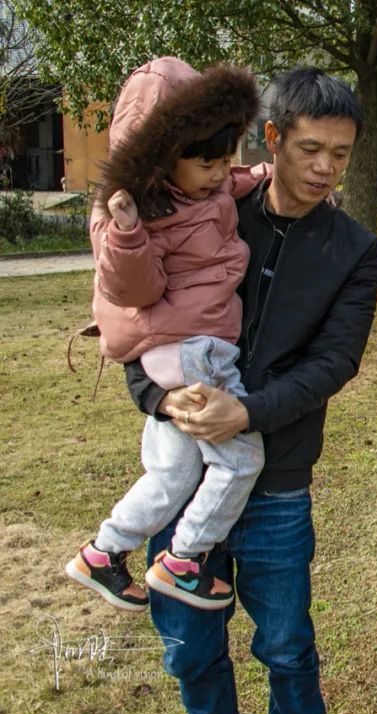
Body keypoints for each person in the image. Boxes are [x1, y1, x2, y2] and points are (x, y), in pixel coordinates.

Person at [125, 67, 377, 714]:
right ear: (273, 137)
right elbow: (140, 318)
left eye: (341, 154)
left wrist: (246, 412)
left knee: (288, 651)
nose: (326, 168)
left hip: (277, 488)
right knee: (188, 651)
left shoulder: (355, 250)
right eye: (311, 148)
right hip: (185, 480)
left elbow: (335, 361)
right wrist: (159, 398)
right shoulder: (209, 212)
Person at [66, 57, 268, 613]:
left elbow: (234, 180)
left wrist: (262, 175)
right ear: (164, 155)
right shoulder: (139, 210)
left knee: (173, 472)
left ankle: (104, 551)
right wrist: (128, 232)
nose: (219, 173)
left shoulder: (204, 187)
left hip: (179, 351)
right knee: (240, 460)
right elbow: (134, 288)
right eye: (207, 163)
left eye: (226, 159)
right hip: (192, 350)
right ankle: (184, 559)